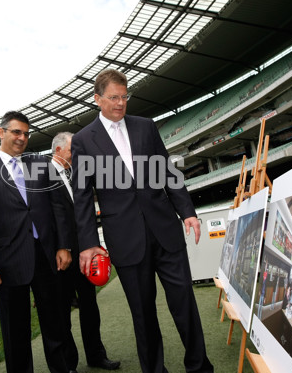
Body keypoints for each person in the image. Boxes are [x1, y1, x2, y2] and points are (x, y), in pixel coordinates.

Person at [71, 69, 213, 373]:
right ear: (97, 99)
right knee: (143, 314)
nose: (121, 103)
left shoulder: (146, 127)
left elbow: (167, 171)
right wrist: (88, 245)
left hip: (165, 231)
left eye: (124, 96)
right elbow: (82, 197)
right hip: (125, 240)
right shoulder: (83, 140)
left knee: (184, 303)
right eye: (113, 98)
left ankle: (200, 366)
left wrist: (187, 211)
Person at [0, 111, 73, 373]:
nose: (22, 138)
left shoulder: (39, 162)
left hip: (46, 256)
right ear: (1, 132)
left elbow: (58, 206)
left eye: (26, 133)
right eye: (16, 132)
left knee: (55, 322)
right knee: (15, 330)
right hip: (7, 261)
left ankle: (62, 368)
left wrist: (63, 246)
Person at [50, 132, 121, 371]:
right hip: (59, 255)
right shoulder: (41, 175)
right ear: (58, 150)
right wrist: (63, 247)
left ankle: (96, 355)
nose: (76, 155)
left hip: (84, 252)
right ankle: (69, 363)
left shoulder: (77, 174)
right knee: (62, 313)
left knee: (90, 306)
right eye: (72, 150)